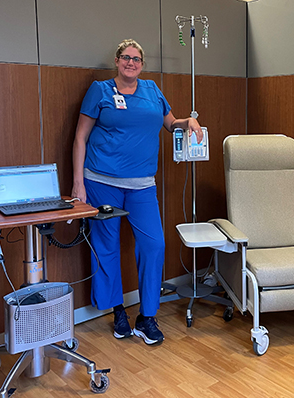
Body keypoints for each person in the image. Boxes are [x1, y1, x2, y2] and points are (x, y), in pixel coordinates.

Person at [71, 39, 202, 345]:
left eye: (137, 59)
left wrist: (188, 121)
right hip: (101, 182)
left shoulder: (153, 90)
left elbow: (171, 124)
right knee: (107, 246)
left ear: (142, 64)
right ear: (116, 61)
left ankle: (147, 316)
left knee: (154, 244)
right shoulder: (100, 91)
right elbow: (80, 138)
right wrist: (78, 184)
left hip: (142, 185)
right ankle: (118, 310)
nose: (131, 62)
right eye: (126, 57)